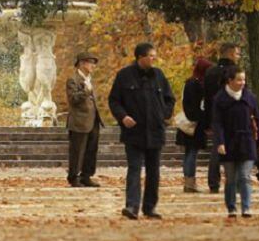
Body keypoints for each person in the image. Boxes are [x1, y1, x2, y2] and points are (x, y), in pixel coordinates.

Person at [108, 42, 176, 220]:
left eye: (155, 56)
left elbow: (170, 99)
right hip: (134, 132)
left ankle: (150, 207)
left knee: (154, 172)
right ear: (140, 57)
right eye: (151, 56)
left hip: (155, 131)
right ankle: (132, 206)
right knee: (134, 169)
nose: (154, 59)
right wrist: (123, 117)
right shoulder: (124, 76)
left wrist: (164, 115)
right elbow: (114, 101)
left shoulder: (159, 75)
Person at [212, 67, 259, 218]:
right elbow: (217, 123)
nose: (242, 83)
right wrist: (220, 142)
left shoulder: (250, 97)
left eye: (244, 79)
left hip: (247, 141)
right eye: (239, 79)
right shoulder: (220, 99)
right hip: (228, 143)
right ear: (230, 81)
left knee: (244, 176)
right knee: (231, 178)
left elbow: (257, 121)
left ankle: (246, 207)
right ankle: (231, 207)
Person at [203, 42, 242, 193]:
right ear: (231, 54)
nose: (238, 57)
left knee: (216, 149)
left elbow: (206, 98)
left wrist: (207, 121)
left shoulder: (210, 72)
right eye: (238, 53)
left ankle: (213, 182)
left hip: (215, 115)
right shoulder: (235, 71)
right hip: (233, 114)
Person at [65, 52, 103, 187]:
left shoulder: (89, 79)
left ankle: (86, 176)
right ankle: (73, 177)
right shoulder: (73, 79)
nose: (93, 65)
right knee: (77, 151)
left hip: (93, 120)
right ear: (82, 63)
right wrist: (86, 90)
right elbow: (73, 99)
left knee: (91, 150)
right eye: (91, 62)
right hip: (79, 121)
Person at [177, 57, 213, 193]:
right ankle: (190, 182)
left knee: (188, 153)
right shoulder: (198, 85)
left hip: (189, 122)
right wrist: (204, 122)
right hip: (195, 124)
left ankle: (188, 182)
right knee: (192, 152)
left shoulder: (189, 83)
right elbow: (199, 106)